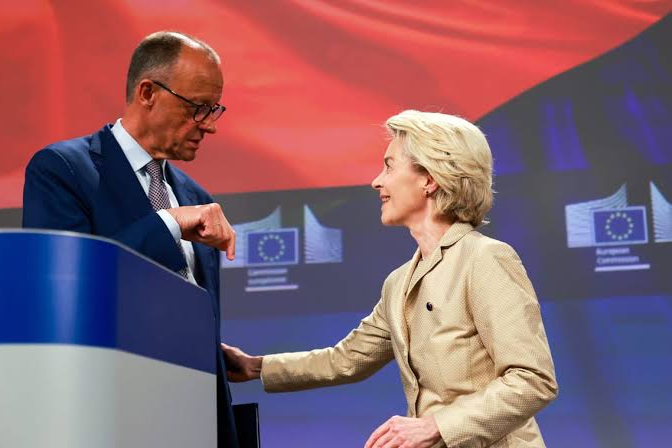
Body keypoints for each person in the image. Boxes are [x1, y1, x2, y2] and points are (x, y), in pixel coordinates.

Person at [223, 110, 558, 448]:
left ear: (429, 180)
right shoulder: (399, 283)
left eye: (389, 166)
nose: (376, 182)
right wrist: (256, 368)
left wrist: (436, 426)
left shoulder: (485, 259)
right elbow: (346, 360)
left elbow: (533, 379)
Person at [22, 31, 240, 447]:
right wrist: (168, 223)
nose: (209, 125)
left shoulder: (196, 196)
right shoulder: (63, 170)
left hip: (194, 420)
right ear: (147, 93)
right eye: (197, 108)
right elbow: (68, 291)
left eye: (213, 109)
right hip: (108, 418)